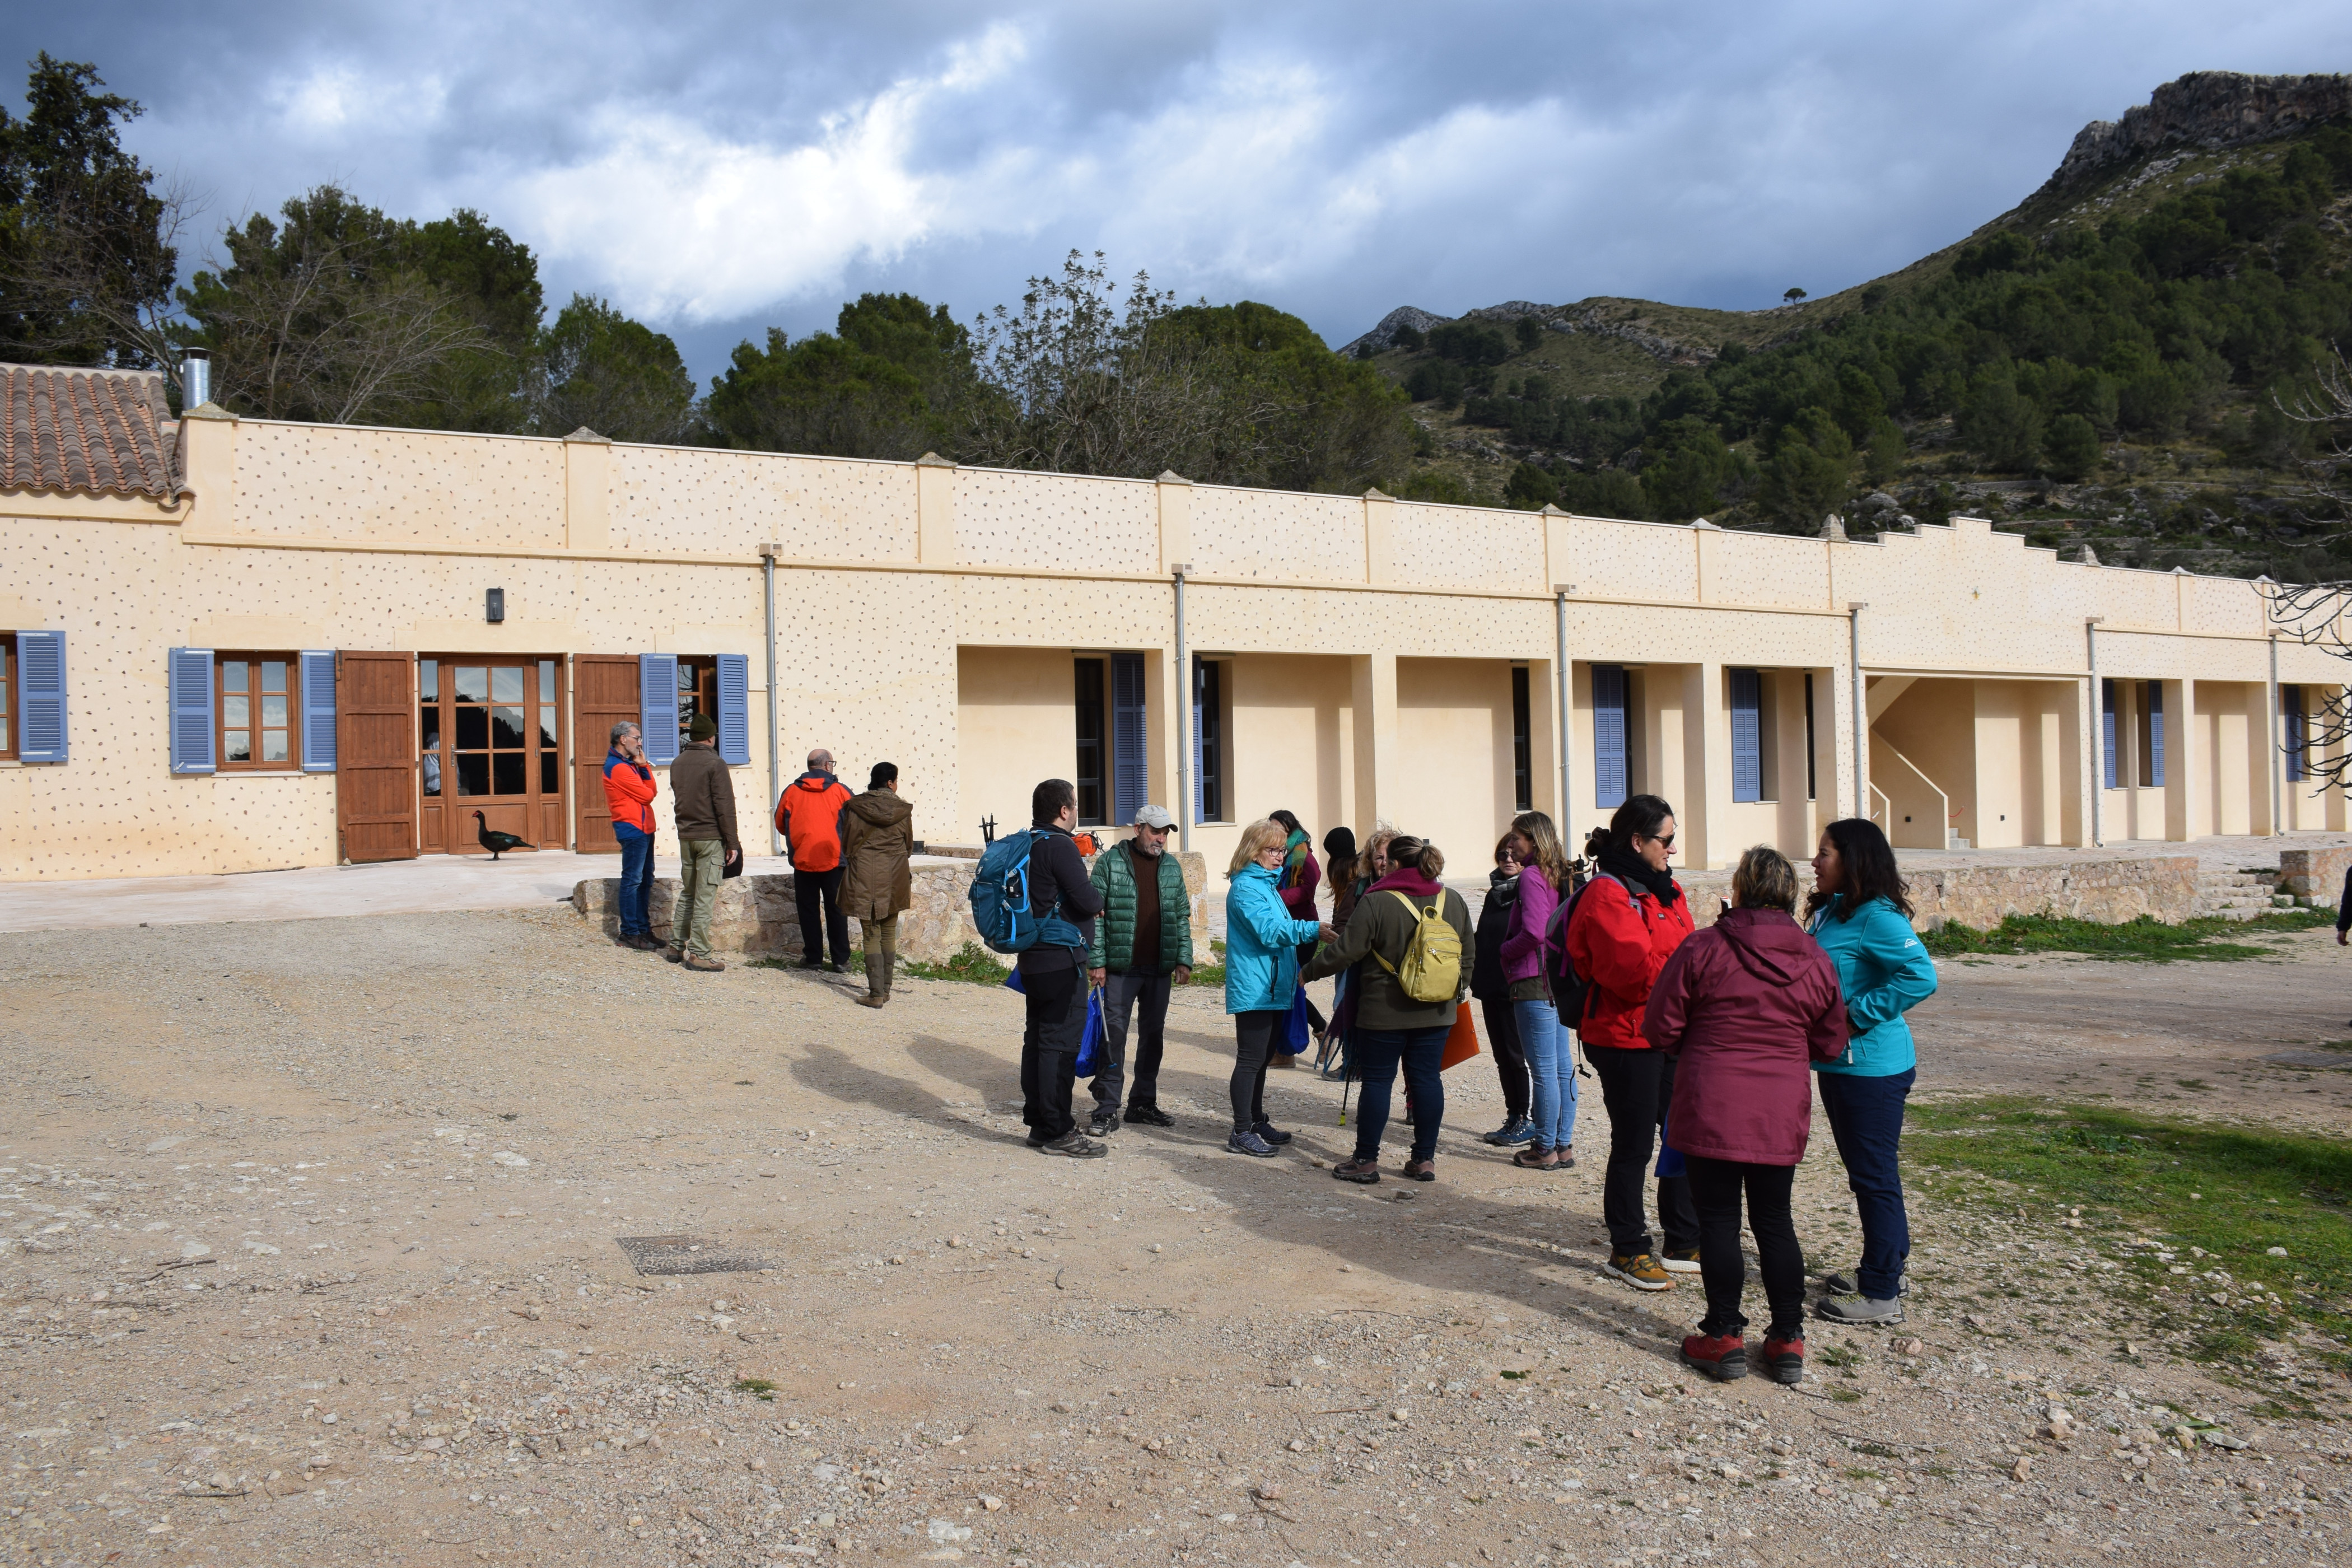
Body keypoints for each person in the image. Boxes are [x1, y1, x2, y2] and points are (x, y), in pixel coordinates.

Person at [1643, 846, 1848, 1384]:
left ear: (1739, 888)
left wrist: (1700, 1042)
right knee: (1775, 1220)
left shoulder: (1704, 947)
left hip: (1712, 1099)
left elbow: (1660, 1027)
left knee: (1718, 1222)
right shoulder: (1813, 956)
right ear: (1790, 894)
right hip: (1778, 1106)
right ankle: (1786, 1338)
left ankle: (1724, 1333)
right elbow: (1831, 1040)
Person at [1805, 818, 1939, 1324]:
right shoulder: (1835, 912)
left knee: (1874, 1177)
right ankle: (1889, 1268)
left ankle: (1882, 1295)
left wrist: (1855, 1014)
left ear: (1853, 860)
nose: (1815, 863)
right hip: (1840, 1067)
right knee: (1868, 1176)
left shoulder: (1878, 919)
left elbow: (1920, 976)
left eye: (1825, 854)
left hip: (1873, 1071)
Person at [1566, 794, 1700, 1291]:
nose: (1672, 849)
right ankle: (1628, 1247)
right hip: (1625, 1036)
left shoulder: (1667, 889)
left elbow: (1686, 949)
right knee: (1635, 1143)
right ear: (1638, 841)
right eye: (1666, 840)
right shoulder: (1607, 893)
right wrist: (1690, 977)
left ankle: (1683, 1237)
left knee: (1684, 1131)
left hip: (1668, 1030)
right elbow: (1629, 972)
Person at [1303, 834, 1473, 1184]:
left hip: (1383, 1012)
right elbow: (1468, 954)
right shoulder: (1452, 899)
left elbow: (1347, 951)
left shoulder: (1377, 900)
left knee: (1378, 1083)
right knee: (1427, 1081)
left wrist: (1307, 973)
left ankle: (1366, 1160)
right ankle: (1424, 1160)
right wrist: (1454, 991)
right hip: (1438, 1010)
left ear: (1393, 863)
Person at [1222, 819, 1332, 1156]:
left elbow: (1281, 925)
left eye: (1283, 850)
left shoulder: (1266, 884)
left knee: (1261, 1058)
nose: (1280, 856)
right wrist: (1313, 930)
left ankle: (1255, 1121)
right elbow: (1270, 932)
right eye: (1273, 850)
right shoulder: (1246, 888)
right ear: (1254, 852)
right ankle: (1241, 1131)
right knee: (1250, 1059)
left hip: (1271, 985)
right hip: (1255, 986)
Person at [1085, 804, 1194, 1133]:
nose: (1161, 838)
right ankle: (1106, 1108)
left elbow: (1181, 917)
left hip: (1158, 969)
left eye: (1165, 833)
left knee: (1153, 1037)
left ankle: (1143, 1103)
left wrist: (1183, 958)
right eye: (1155, 831)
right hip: (1120, 969)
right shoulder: (1109, 864)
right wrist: (1098, 962)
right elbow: (1096, 918)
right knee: (1113, 1038)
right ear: (1137, 829)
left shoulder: (1172, 868)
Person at [1017, 778, 1109, 1158]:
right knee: (1059, 1044)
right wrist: (1097, 900)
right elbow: (1088, 899)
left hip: (1034, 958)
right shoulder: (1061, 846)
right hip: (1062, 959)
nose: (1076, 811)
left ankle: (1040, 1124)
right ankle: (1058, 1131)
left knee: (1037, 1039)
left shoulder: (1028, 842)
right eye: (1074, 804)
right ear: (1064, 810)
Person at [1502, 811, 1580, 1170]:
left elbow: (1534, 932)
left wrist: (1504, 951)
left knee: (1544, 1069)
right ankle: (1562, 1143)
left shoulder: (1532, 875)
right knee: (1561, 1068)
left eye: (1516, 837)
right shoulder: (1562, 874)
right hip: (1558, 979)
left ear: (1532, 839)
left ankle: (1544, 1146)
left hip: (1535, 979)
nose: (1511, 843)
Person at [668, 713, 741, 973]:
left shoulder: (677, 762)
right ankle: (699, 953)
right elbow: (725, 806)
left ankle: (676, 946)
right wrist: (732, 842)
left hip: (686, 837)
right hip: (710, 837)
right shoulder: (715, 763)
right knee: (705, 896)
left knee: (688, 892)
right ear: (711, 737)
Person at [1472, 836, 1533, 1145]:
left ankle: (1526, 1117)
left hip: (1515, 987)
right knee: (1501, 1056)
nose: (1509, 859)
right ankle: (1514, 1115)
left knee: (1515, 1055)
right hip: (1490, 985)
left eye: (1515, 854)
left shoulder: (1528, 890)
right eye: (1502, 854)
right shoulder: (1495, 894)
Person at [838, 762, 914, 1009]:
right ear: (891, 783)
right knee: (889, 932)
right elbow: (909, 847)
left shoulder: (856, 807)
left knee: (871, 932)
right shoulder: (903, 809)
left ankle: (876, 993)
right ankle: (887, 990)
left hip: (864, 876)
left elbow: (848, 845)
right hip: (895, 876)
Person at [777, 749, 855, 973]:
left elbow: (781, 824)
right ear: (828, 765)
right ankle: (840, 959)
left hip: (803, 860)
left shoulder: (791, 791)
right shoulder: (841, 791)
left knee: (808, 910)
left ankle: (813, 958)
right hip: (834, 860)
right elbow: (854, 822)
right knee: (837, 910)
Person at [1267, 809, 1324, 1066]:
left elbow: (1306, 890)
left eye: (1278, 826)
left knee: (1292, 986)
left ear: (1289, 828)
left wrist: (1275, 899)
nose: (1274, 831)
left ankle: (1297, 1044)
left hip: (1303, 930)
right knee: (1290, 986)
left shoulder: (1303, 856)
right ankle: (1316, 1034)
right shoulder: (1283, 853)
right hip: (1287, 927)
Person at [601, 722, 661, 951]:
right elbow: (647, 795)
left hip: (644, 828)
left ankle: (642, 930)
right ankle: (629, 933)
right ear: (623, 739)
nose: (640, 742)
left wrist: (644, 766)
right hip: (632, 829)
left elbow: (652, 790)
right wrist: (642, 767)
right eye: (637, 738)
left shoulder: (631, 765)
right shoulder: (618, 767)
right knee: (633, 881)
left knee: (645, 880)